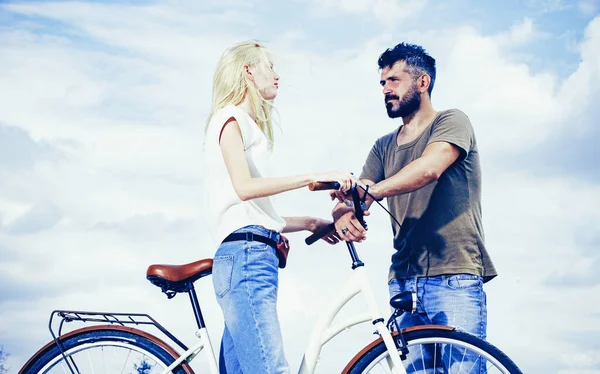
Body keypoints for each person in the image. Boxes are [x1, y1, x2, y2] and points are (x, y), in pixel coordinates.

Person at [331, 42, 497, 372]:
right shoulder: (383, 146)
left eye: (394, 80)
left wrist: (373, 191)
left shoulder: (452, 121)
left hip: (455, 275)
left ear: (422, 83)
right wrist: (342, 213)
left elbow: (430, 167)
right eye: (382, 83)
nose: (385, 90)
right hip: (404, 280)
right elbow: (361, 192)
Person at [203, 40, 353, 374]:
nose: (276, 75)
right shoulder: (230, 119)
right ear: (248, 71)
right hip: (246, 257)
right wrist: (313, 176)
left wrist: (311, 223)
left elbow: (253, 215)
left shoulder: (243, 124)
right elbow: (244, 189)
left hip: (249, 253)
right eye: (270, 66)